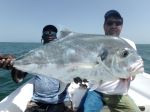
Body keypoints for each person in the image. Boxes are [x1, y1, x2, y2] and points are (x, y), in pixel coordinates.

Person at [78, 10, 141, 112]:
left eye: (118, 23)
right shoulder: (96, 44)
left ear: (122, 26)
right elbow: (87, 65)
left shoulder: (129, 44)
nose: (114, 26)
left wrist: (131, 73)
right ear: (104, 26)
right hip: (96, 91)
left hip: (118, 94)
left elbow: (133, 70)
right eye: (110, 23)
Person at [0, 25, 73, 112]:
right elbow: (18, 79)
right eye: (46, 32)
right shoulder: (33, 54)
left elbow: (74, 74)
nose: (49, 33)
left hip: (61, 100)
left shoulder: (65, 54)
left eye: (53, 32)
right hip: (37, 101)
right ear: (42, 36)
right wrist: (13, 66)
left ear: (56, 36)